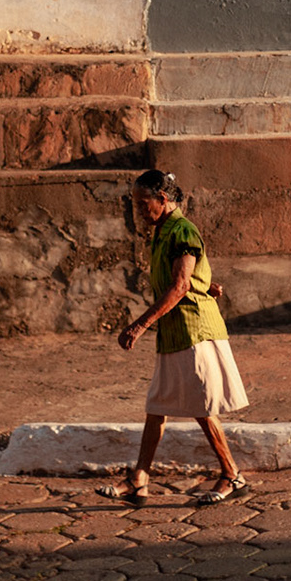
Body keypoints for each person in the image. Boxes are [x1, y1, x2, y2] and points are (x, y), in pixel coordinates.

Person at [96, 169, 250, 507]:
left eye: (142, 204)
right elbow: (189, 274)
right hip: (174, 332)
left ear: (162, 200)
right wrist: (207, 283)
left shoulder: (182, 230)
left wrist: (139, 325)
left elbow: (179, 286)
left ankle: (232, 474)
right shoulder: (164, 231)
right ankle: (139, 480)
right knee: (158, 405)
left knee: (202, 406)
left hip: (193, 329)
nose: (138, 210)